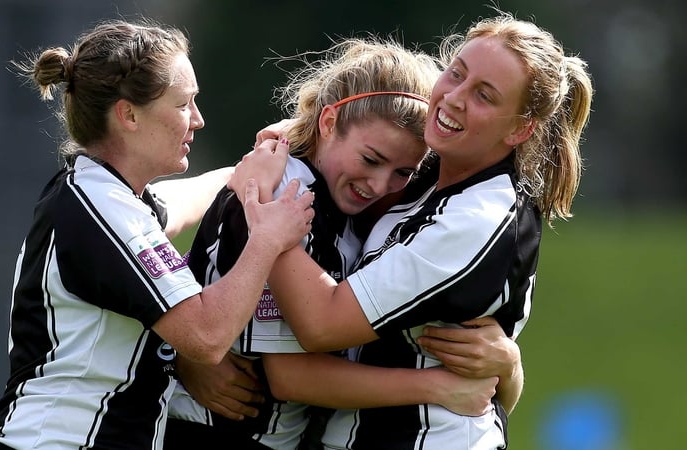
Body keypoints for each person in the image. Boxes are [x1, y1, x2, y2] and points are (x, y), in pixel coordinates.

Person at [230, 10, 594, 450]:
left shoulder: (476, 219)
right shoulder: (432, 167)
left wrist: (265, 198)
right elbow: (362, 134)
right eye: (456, 74)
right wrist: (299, 137)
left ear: (520, 129)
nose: (455, 98)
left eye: (484, 95)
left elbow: (322, 323)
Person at [164, 37, 520, 450]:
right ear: (329, 122)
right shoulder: (281, 196)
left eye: (403, 172)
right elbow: (290, 375)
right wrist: (436, 386)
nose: (380, 185)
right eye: (370, 160)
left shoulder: (347, 201)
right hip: (212, 432)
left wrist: (509, 366)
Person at [0, 19, 316, 450]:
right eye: (184, 104)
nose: (198, 119)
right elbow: (207, 336)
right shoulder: (101, 207)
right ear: (129, 115)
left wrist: (257, 163)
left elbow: (183, 201)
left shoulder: (106, 196)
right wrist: (268, 239)